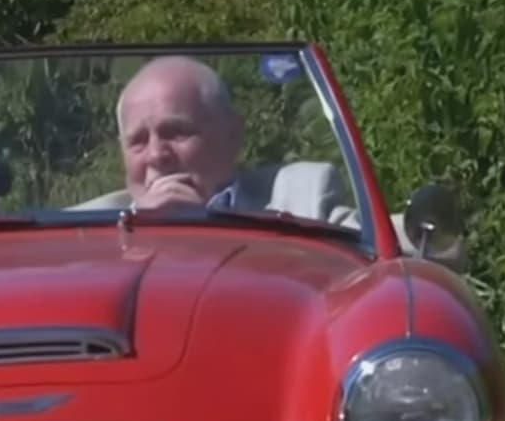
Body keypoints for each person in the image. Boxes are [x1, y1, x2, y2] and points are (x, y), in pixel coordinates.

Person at [75, 55, 461, 265]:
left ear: (232, 135)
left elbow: (377, 246)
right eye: (138, 141)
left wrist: (427, 233)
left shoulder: (300, 194)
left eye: (176, 132)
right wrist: (144, 230)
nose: (157, 154)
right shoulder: (80, 229)